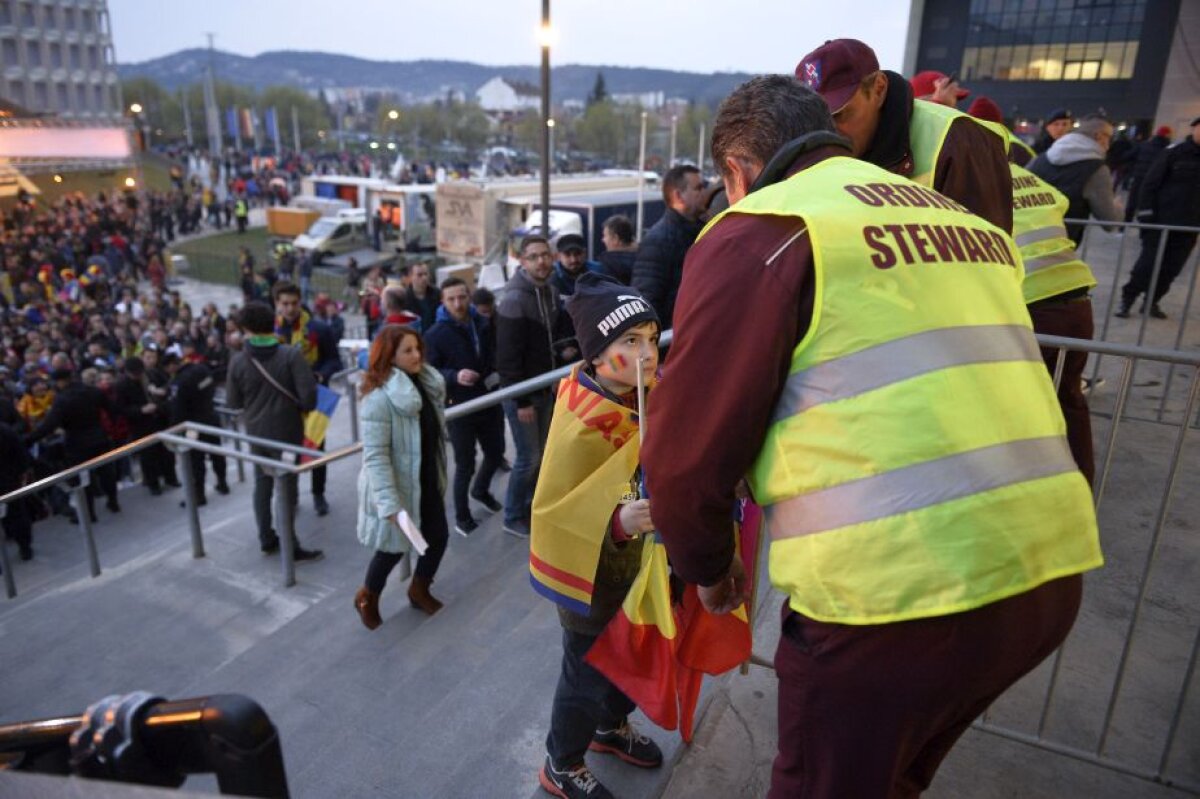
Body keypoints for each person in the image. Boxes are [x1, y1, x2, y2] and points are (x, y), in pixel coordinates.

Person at [643, 75, 1103, 799]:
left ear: (736, 171)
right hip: (1044, 572)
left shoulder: (762, 229)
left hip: (897, 598)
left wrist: (707, 563)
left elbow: (686, 451)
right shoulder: (958, 220)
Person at [532, 272, 663, 799]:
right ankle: (562, 759)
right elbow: (556, 510)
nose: (648, 353)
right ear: (597, 354)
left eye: (652, 338)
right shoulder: (580, 420)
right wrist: (618, 522)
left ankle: (611, 727)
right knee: (583, 673)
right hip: (591, 581)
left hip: (640, 569)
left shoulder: (650, 395)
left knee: (626, 655)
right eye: (631, 341)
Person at [968, 103, 1099, 483]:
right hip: (1076, 301)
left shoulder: (971, 184)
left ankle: (1015, 491)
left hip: (1032, 306)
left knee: (1009, 406)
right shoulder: (1033, 180)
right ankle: (1080, 486)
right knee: (1069, 399)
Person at [796, 38, 1013, 233]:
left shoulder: (960, 141)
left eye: (840, 114)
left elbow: (986, 256)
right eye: (818, 120)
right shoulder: (814, 150)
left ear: (879, 89)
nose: (827, 133)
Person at [353, 325, 449, 624]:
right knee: (393, 549)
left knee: (437, 538)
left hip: (426, 481)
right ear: (390, 356)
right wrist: (389, 504)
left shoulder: (425, 384)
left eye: (418, 348)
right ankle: (367, 596)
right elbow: (375, 457)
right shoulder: (378, 399)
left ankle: (419, 589)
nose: (417, 355)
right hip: (399, 488)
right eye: (408, 350)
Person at [225, 302, 323, 562]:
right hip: (287, 433)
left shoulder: (238, 361)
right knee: (287, 488)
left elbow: (233, 404)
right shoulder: (290, 355)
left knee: (262, 482)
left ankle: (266, 538)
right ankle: (291, 545)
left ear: (246, 329)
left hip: (256, 433)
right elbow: (309, 399)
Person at [495, 235, 577, 539]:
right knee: (527, 458)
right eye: (533, 257)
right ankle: (512, 515)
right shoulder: (514, 299)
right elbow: (507, 358)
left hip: (544, 387)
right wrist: (522, 401)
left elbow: (551, 337)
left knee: (540, 454)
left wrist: (561, 356)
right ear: (522, 261)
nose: (541, 261)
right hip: (524, 395)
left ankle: (532, 506)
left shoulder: (550, 291)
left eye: (545, 255)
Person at [424, 277, 504, 536]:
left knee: (496, 452)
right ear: (443, 301)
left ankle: (480, 490)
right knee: (465, 463)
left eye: (462, 297)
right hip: (458, 405)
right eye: (451, 299)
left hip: (487, 399)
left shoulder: (483, 322)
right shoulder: (435, 334)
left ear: (469, 296)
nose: (457, 304)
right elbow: (429, 371)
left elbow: (493, 352)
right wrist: (454, 376)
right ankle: (462, 516)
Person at [1117, 116, 1200, 319]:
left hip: (1189, 227)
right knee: (1147, 265)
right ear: (1194, 129)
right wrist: (1146, 213)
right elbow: (1150, 183)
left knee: (1171, 269)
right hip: (1160, 222)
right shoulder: (1174, 153)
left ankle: (1152, 301)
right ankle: (1127, 300)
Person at [273, 281, 339, 516]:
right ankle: (291, 496)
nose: (290, 308)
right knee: (286, 449)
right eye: (285, 304)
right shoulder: (271, 332)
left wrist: (321, 374)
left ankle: (318, 493)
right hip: (284, 401)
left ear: (300, 302)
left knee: (316, 447)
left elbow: (334, 360)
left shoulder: (318, 329)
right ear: (277, 304)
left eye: (294, 303)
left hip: (314, 399)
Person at [27, 367, 121, 523]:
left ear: (59, 382)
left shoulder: (62, 399)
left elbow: (49, 425)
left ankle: (89, 513)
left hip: (77, 443)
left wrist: (29, 439)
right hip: (99, 436)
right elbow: (112, 409)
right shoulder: (92, 391)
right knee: (106, 472)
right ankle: (113, 501)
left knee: (83, 480)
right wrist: (110, 429)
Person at [631, 165, 708, 329]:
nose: (704, 192)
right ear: (678, 195)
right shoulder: (658, 241)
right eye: (698, 188)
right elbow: (646, 302)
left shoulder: (704, 231)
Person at [1028, 114, 1123, 246]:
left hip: (1025, 237)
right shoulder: (1096, 170)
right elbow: (1109, 221)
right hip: (1061, 243)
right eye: (1109, 138)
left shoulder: (1041, 159)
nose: (1108, 145)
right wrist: (1117, 207)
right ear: (1099, 136)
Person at [164, 340, 229, 506]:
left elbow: (177, 409)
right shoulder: (201, 369)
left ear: (171, 366)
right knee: (217, 453)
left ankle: (199, 495)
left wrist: (173, 430)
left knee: (196, 460)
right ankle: (222, 483)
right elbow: (210, 386)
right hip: (211, 418)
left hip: (193, 426)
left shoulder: (179, 382)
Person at [1124, 126, 1173, 220]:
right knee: (1148, 202)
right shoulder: (1168, 149)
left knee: (1132, 201)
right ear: (1167, 135)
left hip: (1139, 176)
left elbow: (1128, 156)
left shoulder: (1144, 145)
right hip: (1155, 179)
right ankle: (1144, 223)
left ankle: (1125, 223)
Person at [596, 215, 636, 285]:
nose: (603, 240)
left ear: (615, 238)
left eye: (605, 235)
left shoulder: (608, 266)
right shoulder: (646, 261)